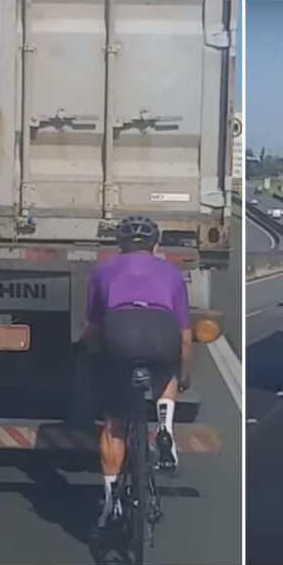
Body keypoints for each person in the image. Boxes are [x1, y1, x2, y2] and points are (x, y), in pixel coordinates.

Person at [79, 215, 192, 529]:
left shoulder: (103, 270)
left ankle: (111, 504)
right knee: (167, 370)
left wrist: (88, 353)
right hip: (162, 333)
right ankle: (165, 430)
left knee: (114, 420)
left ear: (120, 245)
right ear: (155, 245)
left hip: (120, 333)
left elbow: (93, 328)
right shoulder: (171, 273)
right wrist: (182, 372)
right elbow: (184, 336)